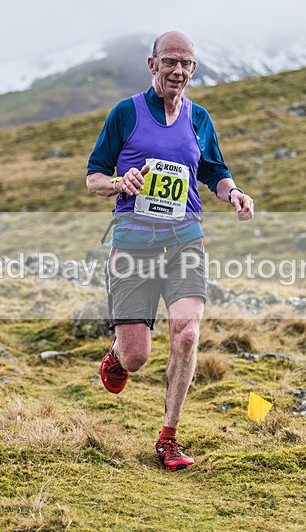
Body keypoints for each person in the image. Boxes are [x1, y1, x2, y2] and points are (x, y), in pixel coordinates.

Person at [86, 31, 254, 472]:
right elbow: (93, 177)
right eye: (169, 62)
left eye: (185, 63)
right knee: (136, 357)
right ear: (152, 64)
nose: (177, 70)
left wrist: (233, 192)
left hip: (185, 239)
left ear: (193, 69)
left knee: (187, 332)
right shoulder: (126, 113)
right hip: (133, 244)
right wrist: (119, 183)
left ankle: (169, 437)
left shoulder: (200, 118)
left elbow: (215, 169)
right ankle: (118, 355)